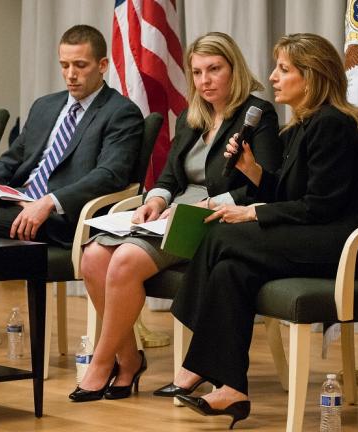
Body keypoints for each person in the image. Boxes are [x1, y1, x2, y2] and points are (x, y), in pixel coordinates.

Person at [168, 33, 358, 428]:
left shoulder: (332, 124)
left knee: (223, 233)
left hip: (347, 243)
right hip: (319, 231)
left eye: (284, 69)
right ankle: (233, 389)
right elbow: (293, 194)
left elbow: (322, 206)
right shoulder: (301, 127)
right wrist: (253, 173)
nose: (272, 77)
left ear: (311, 76)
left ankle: (195, 360)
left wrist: (254, 214)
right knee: (229, 270)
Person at [69, 32, 282, 403]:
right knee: (92, 257)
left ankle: (101, 365)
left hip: (215, 218)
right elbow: (169, 177)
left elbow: (268, 186)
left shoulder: (257, 115)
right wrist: (154, 199)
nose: (205, 81)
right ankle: (129, 358)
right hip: (172, 213)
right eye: (197, 72)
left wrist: (213, 204)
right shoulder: (191, 115)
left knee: (123, 262)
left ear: (234, 69)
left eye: (214, 69)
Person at [0, 24, 144, 360]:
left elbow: (111, 175)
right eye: (64, 65)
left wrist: (49, 202)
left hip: (62, 219)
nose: (70, 75)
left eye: (80, 66)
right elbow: (12, 160)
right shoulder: (46, 106)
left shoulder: (121, 113)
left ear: (103, 65)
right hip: (18, 205)